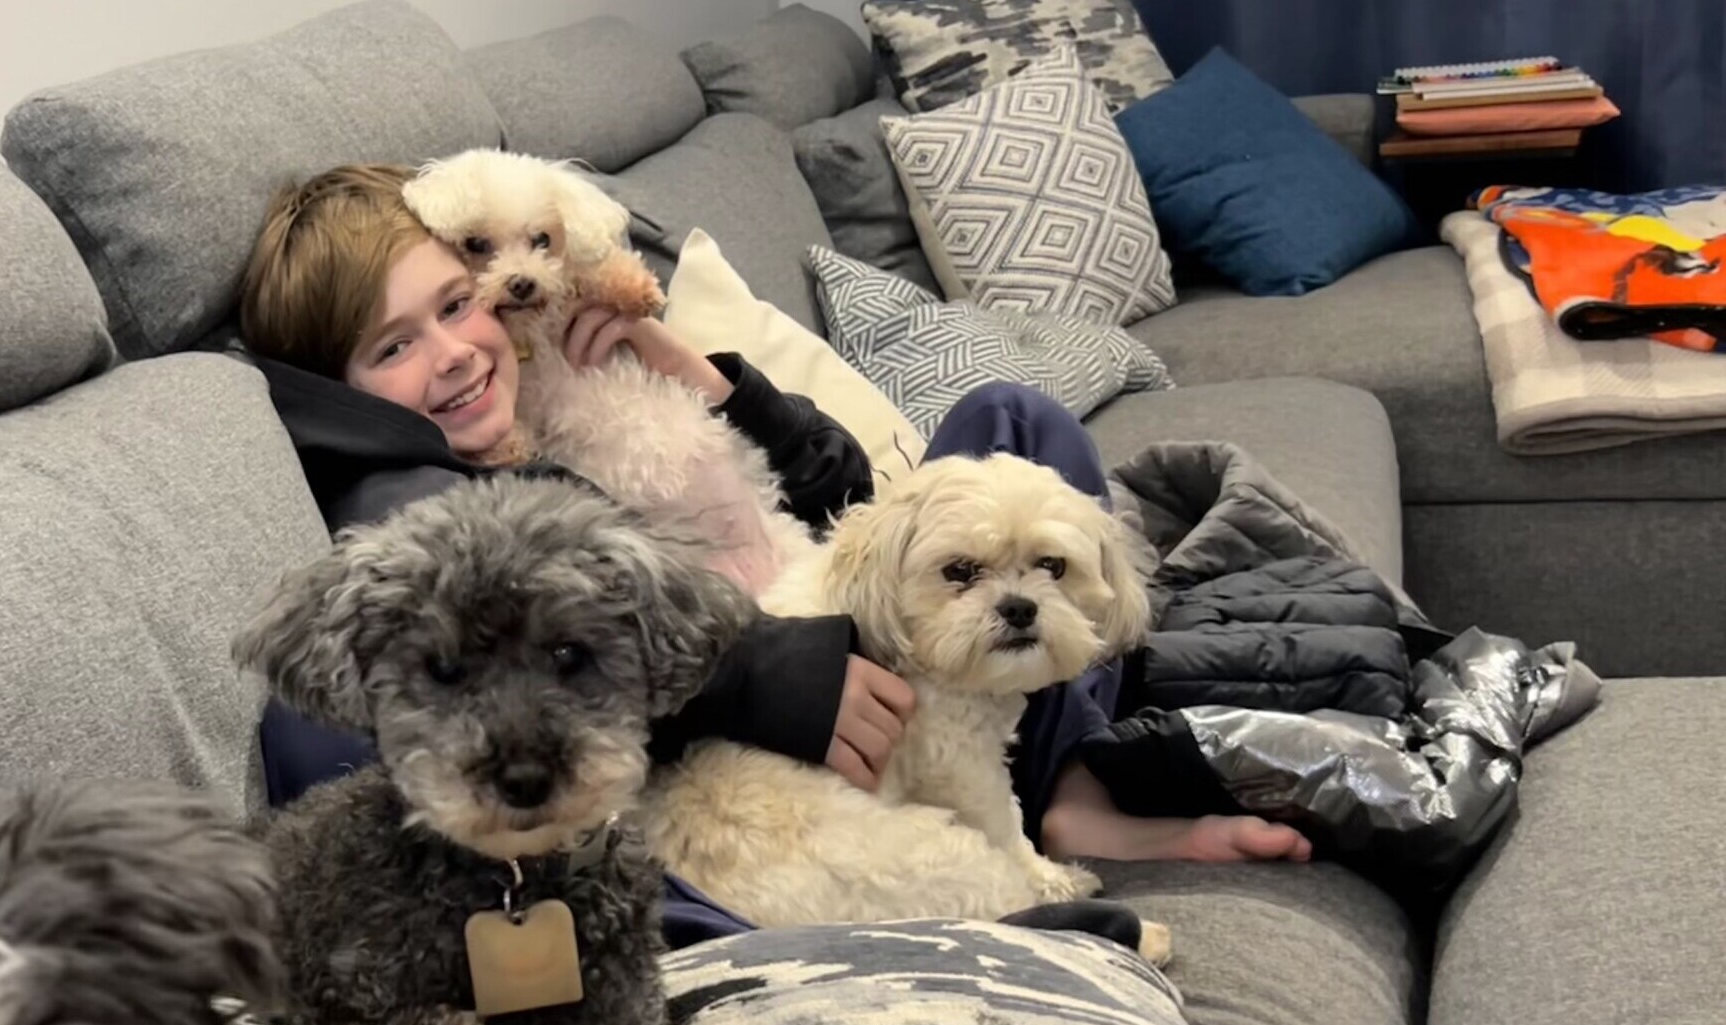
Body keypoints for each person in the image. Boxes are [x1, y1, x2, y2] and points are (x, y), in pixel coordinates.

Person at [233, 163, 1307, 913]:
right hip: (767, 708)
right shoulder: (432, 515)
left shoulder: (561, 377)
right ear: (337, 388)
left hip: (825, 586)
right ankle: (1049, 795)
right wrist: (763, 673)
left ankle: (1067, 784)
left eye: (456, 303)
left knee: (1015, 422)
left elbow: (843, 493)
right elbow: (514, 690)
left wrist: (705, 380)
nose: (457, 352)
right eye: (392, 348)